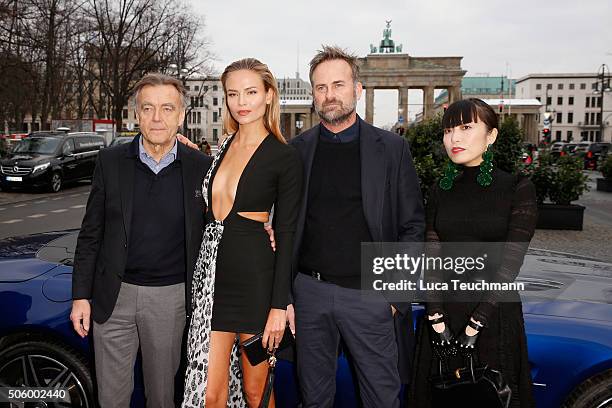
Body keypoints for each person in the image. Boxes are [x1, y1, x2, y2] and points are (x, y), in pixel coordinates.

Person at [287, 45, 425, 408]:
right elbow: (285, 227)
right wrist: (287, 296)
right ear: (313, 93)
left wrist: (395, 297)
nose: (329, 95)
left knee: (381, 398)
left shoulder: (392, 148)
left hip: (370, 295)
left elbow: (413, 226)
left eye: (338, 85)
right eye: (320, 87)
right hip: (310, 294)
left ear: (357, 90)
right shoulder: (297, 150)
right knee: (313, 400)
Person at [70, 73, 212, 407]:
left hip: (170, 299)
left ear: (181, 115)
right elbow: (91, 233)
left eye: (167, 108)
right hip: (113, 298)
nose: (157, 118)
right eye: (147, 108)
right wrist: (80, 296)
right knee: (112, 398)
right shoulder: (110, 161)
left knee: (162, 397)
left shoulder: (202, 167)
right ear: (137, 114)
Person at [183, 58, 303, 408]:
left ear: (269, 95)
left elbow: (288, 233)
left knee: (256, 392)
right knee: (209, 394)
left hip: (256, 285)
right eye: (232, 93)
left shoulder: (283, 156)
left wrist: (279, 306)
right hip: (212, 285)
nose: (241, 101)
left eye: (251, 92)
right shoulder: (221, 148)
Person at [409, 98, 537, 407]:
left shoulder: (517, 187)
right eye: (448, 130)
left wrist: (475, 325)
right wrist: (437, 319)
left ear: (491, 135)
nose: (455, 138)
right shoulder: (440, 190)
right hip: (443, 320)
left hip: (492, 317)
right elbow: (432, 257)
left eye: (467, 127)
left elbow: (510, 264)